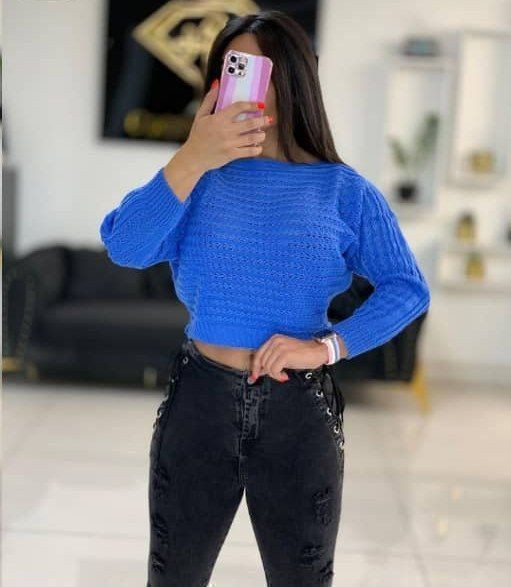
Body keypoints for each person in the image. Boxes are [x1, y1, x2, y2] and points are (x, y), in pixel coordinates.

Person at [99, 10, 430, 587]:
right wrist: (191, 156)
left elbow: (407, 287)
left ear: (293, 79)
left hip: (297, 411)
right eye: (232, 69)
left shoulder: (343, 190)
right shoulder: (195, 178)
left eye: (255, 70)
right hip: (200, 403)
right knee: (173, 577)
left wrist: (326, 348)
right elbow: (125, 246)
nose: (241, 85)